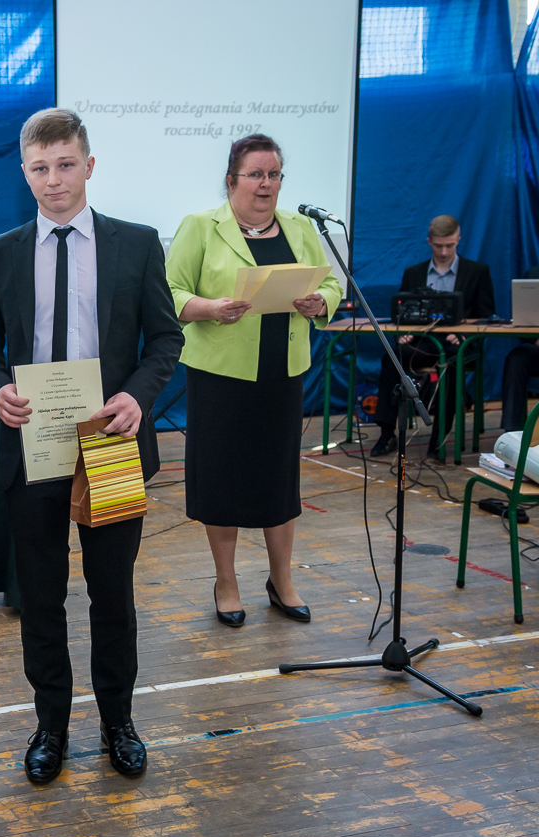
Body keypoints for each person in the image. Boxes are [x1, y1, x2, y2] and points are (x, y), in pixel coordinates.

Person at [0, 108, 183, 783]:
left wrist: (137, 396)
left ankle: (119, 720)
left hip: (110, 441)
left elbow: (166, 337)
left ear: (89, 165)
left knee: (112, 593)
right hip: (32, 441)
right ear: (24, 172)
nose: (53, 179)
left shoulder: (136, 243)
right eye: (40, 167)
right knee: (41, 595)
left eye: (65, 165)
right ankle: (51, 725)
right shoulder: (0, 251)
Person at [165, 133, 343, 630]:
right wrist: (209, 307)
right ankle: (226, 583)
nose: (266, 184)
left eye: (274, 174)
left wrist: (321, 302)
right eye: (255, 174)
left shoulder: (300, 227)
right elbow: (168, 291)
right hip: (220, 374)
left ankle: (282, 580)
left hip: (282, 373)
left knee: (278, 479)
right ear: (231, 180)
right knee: (222, 479)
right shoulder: (200, 227)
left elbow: (330, 282)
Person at [371, 215, 495, 456]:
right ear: (429, 242)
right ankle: (387, 434)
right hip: (421, 343)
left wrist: (464, 335)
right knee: (392, 358)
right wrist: (403, 334)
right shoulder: (414, 273)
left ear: (459, 240)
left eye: (450, 245)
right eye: (438, 246)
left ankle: (438, 440)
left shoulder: (477, 272)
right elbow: (402, 313)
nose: (444, 251)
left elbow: (486, 315)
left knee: (451, 363)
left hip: (457, 344)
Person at [497, 263, 539, 432]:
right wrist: (535, 338)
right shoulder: (534, 275)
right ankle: (512, 431)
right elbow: (524, 319)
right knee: (517, 358)